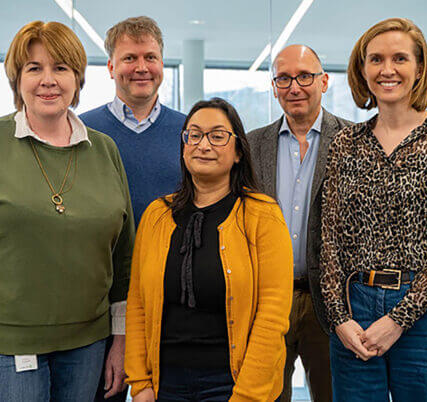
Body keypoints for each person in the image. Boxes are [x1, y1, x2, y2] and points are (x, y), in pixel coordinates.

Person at [0, 21, 134, 402]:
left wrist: (120, 343)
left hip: (87, 346)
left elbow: (124, 263)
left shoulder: (105, 151)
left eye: (61, 68)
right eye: (34, 68)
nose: (48, 80)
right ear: (17, 80)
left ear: (78, 79)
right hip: (0, 350)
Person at [320, 18, 427, 402]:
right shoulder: (346, 143)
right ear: (362, 69)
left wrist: (398, 318)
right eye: (375, 59)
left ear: (420, 68)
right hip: (354, 310)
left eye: (399, 58)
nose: (386, 69)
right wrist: (339, 318)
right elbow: (328, 239)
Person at [125, 98, 293, 402]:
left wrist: (248, 396)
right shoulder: (156, 215)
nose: (203, 145)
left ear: (239, 151)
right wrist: (140, 384)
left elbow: (273, 316)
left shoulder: (262, 215)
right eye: (194, 134)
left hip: (232, 383)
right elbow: (137, 303)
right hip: (166, 383)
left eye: (217, 136)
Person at [79, 16, 186, 401]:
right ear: (110, 67)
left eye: (150, 57)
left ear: (162, 63)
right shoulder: (81, 132)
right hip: (98, 303)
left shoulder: (191, 132)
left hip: (172, 301)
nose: (141, 67)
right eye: (129, 58)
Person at [247, 44, 350, 402]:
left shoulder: (354, 142)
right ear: (274, 86)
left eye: (304, 76)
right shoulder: (251, 145)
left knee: (333, 395)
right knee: (268, 397)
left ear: (324, 81)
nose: (294, 87)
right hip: (267, 302)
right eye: (284, 78)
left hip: (333, 304)